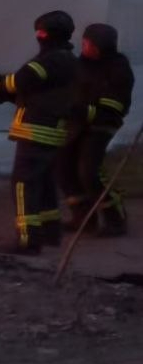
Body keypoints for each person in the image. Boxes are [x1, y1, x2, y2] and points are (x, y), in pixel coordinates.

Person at [0, 11, 79, 253]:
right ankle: (49, 233)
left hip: (36, 131)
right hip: (50, 130)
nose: (38, 35)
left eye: (40, 31)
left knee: (23, 184)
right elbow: (39, 92)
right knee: (44, 183)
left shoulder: (51, 60)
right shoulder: (67, 60)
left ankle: (28, 240)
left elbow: (24, 79)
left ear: (45, 34)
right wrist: (7, 92)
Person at [57, 23, 134, 237]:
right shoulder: (79, 64)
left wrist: (82, 109)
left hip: (101, 125)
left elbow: (115, 105)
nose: (84, 47)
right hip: (76, 124)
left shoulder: (118, 67)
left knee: (89, 172)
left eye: (88, 44)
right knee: (62, 167)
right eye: (84, 42)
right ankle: (83, 218)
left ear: (102, 45)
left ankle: (115, 221)